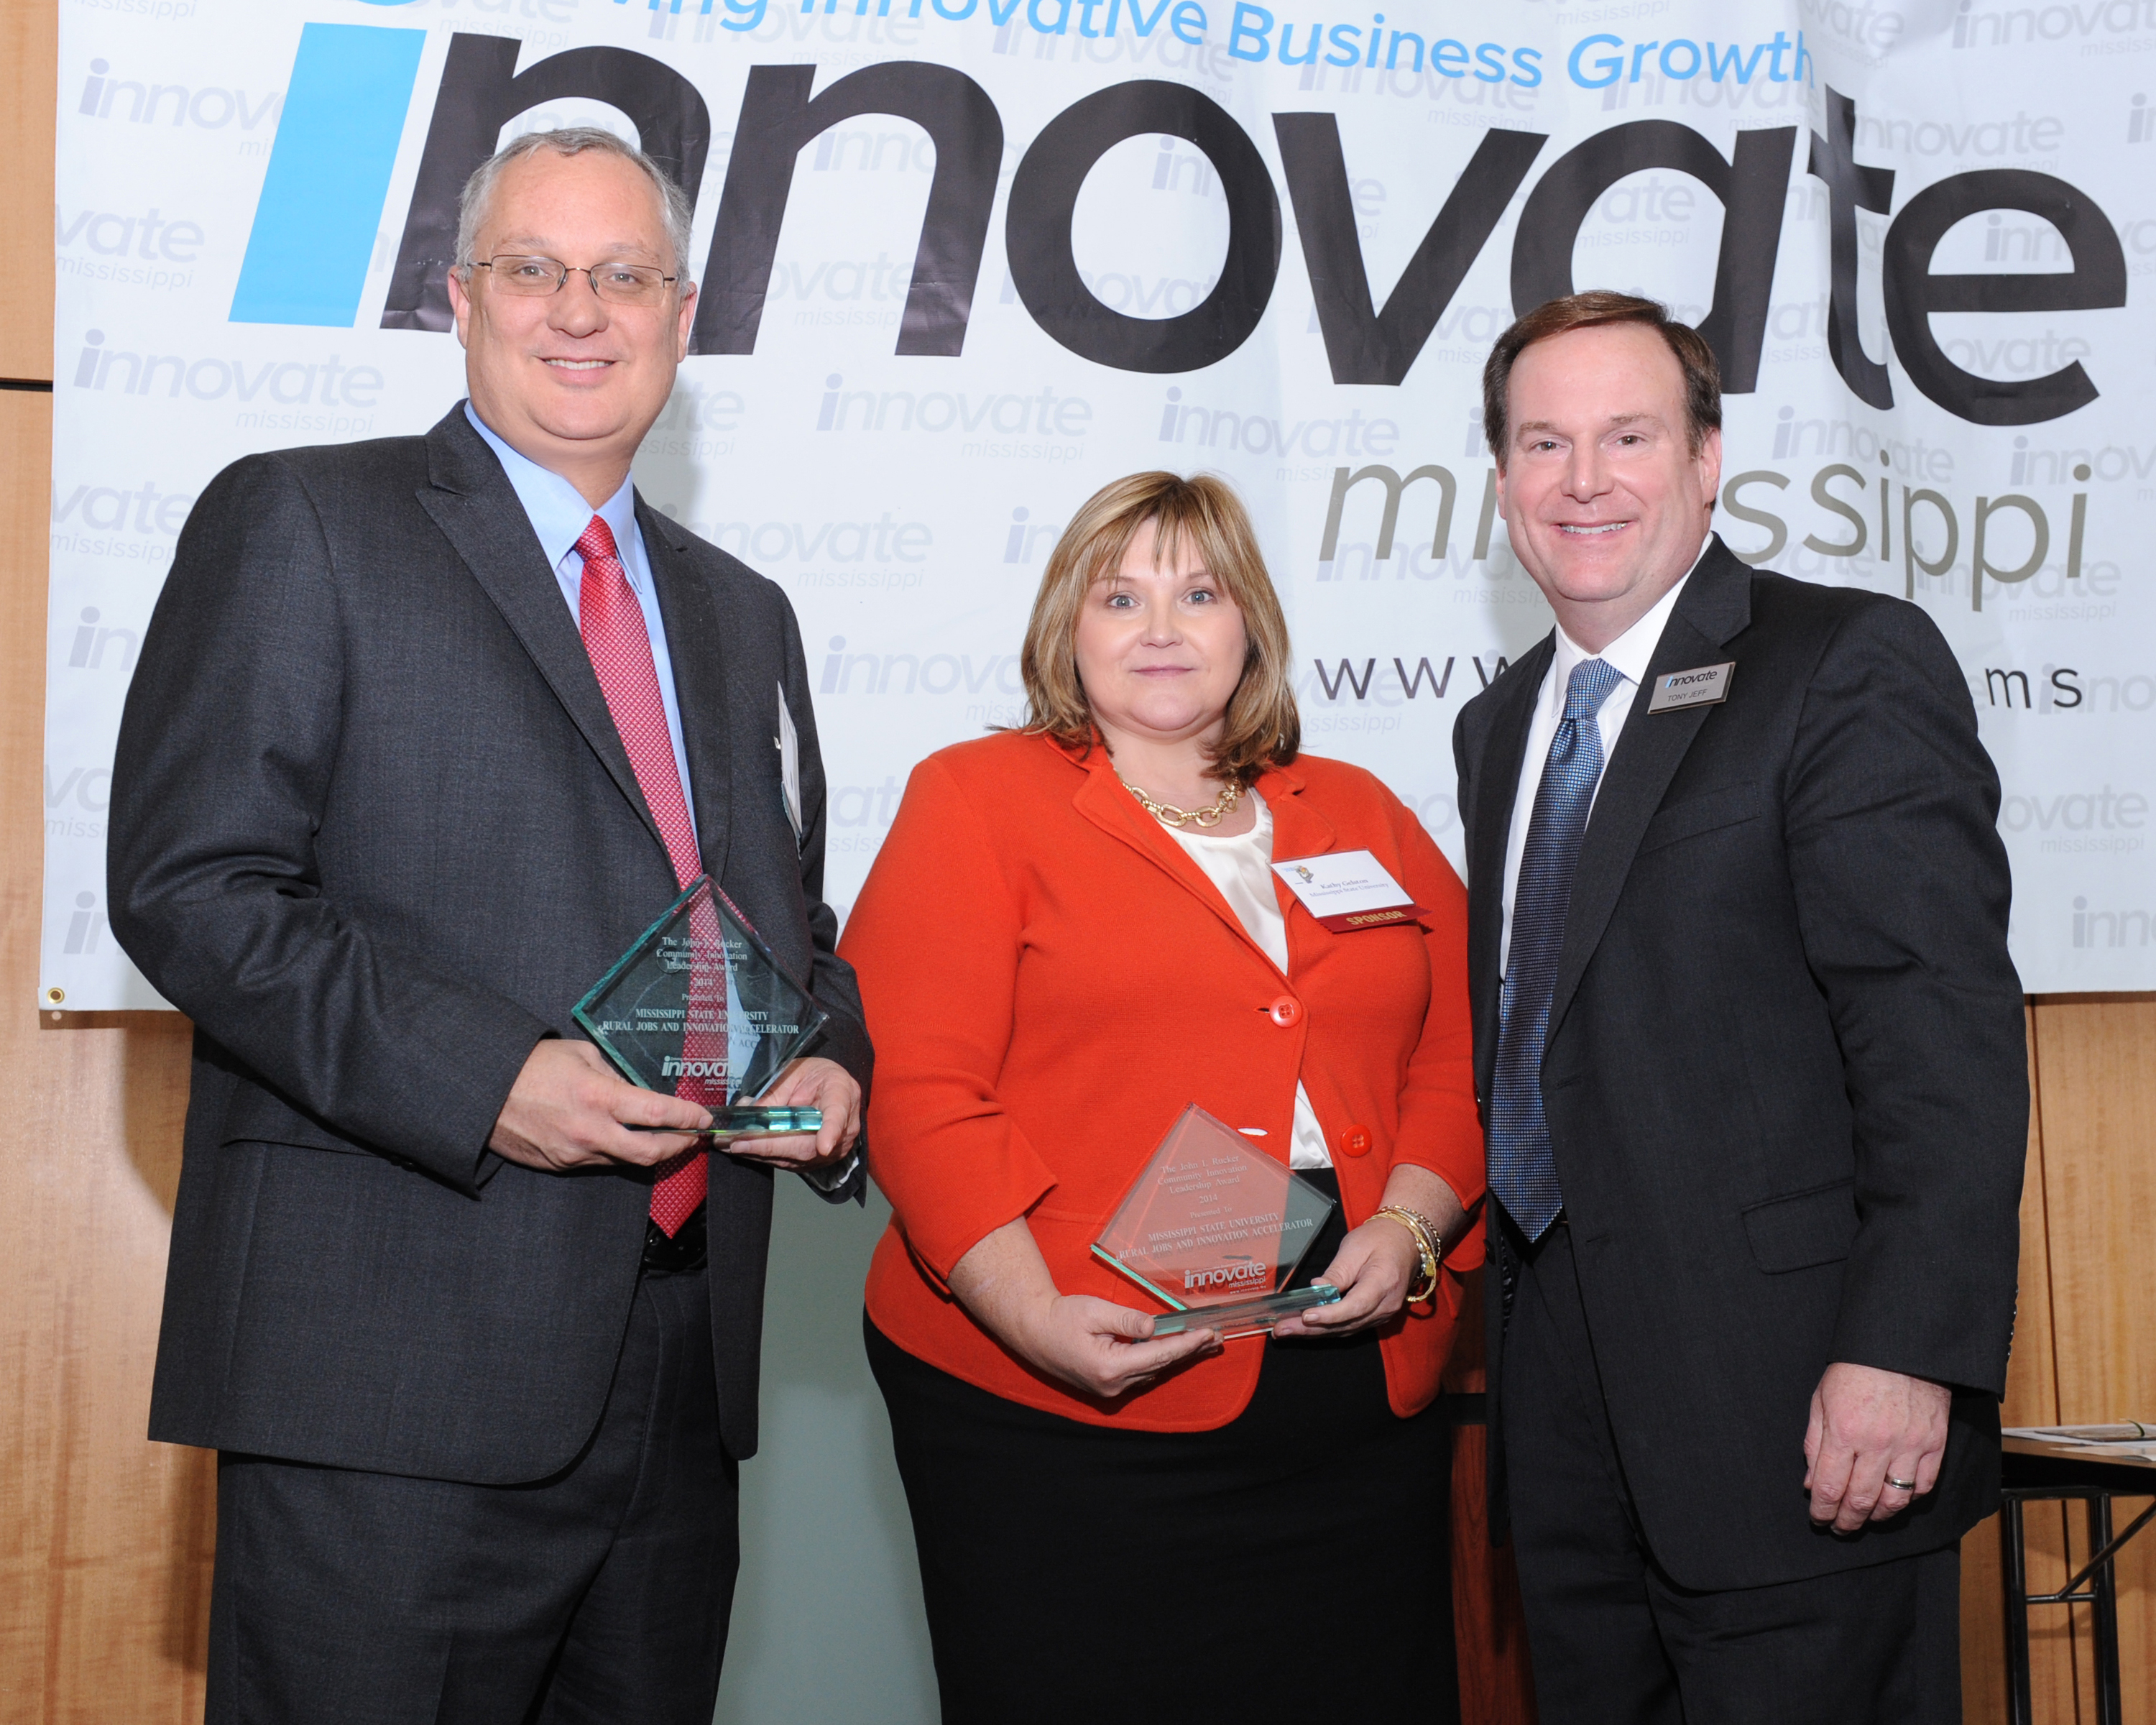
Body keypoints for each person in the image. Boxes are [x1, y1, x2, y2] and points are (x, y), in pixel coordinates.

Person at [106, 127, 870, 1724]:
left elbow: (789, 921)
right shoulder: (303, 522)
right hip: (391, 1373)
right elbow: (195, 886)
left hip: (677, 1385)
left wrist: (835, 1064)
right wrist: (488, 1079)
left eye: (625, 275)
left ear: (682, 317)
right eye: (534, 268)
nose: (578, 310)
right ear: (459, 299)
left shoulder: (744, 612)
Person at [1452, 290, 2027, 1722]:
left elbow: (1936, 1040)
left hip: (1800, 1408)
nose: (1583, 480)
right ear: (1504, 478)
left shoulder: (1843, 664)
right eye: (1543, 442)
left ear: (1708, 460)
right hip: (1570, 1421)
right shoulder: (1501, 724)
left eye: (1628, 436)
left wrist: (1907, 1352)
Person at [839, 472, 1483, 1725]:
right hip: (1064, 1383)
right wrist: (1029, 1315)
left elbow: (1466, 1050)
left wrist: (1411, 1225)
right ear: (1065, 627)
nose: (1160, 625)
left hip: (1350, 1387)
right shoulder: (976, 797)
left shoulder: (1356, 809)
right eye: (1119, 594)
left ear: (1251, 622)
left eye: (1199, 592)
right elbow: (919, 1086)